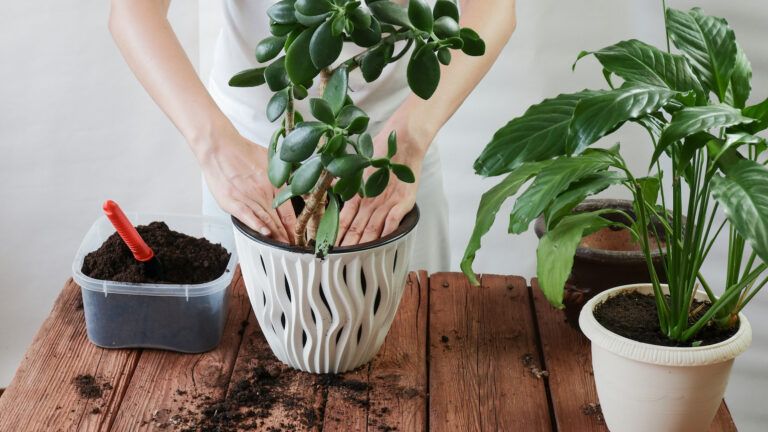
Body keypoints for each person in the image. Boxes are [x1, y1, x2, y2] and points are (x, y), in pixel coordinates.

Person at [109, 0, 517, 272]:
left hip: (391, 154)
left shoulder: (400, 146)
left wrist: (409, 139)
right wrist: (215, 147)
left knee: (410, 343)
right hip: (248, 155)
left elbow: (494, 7)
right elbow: (132, 11)